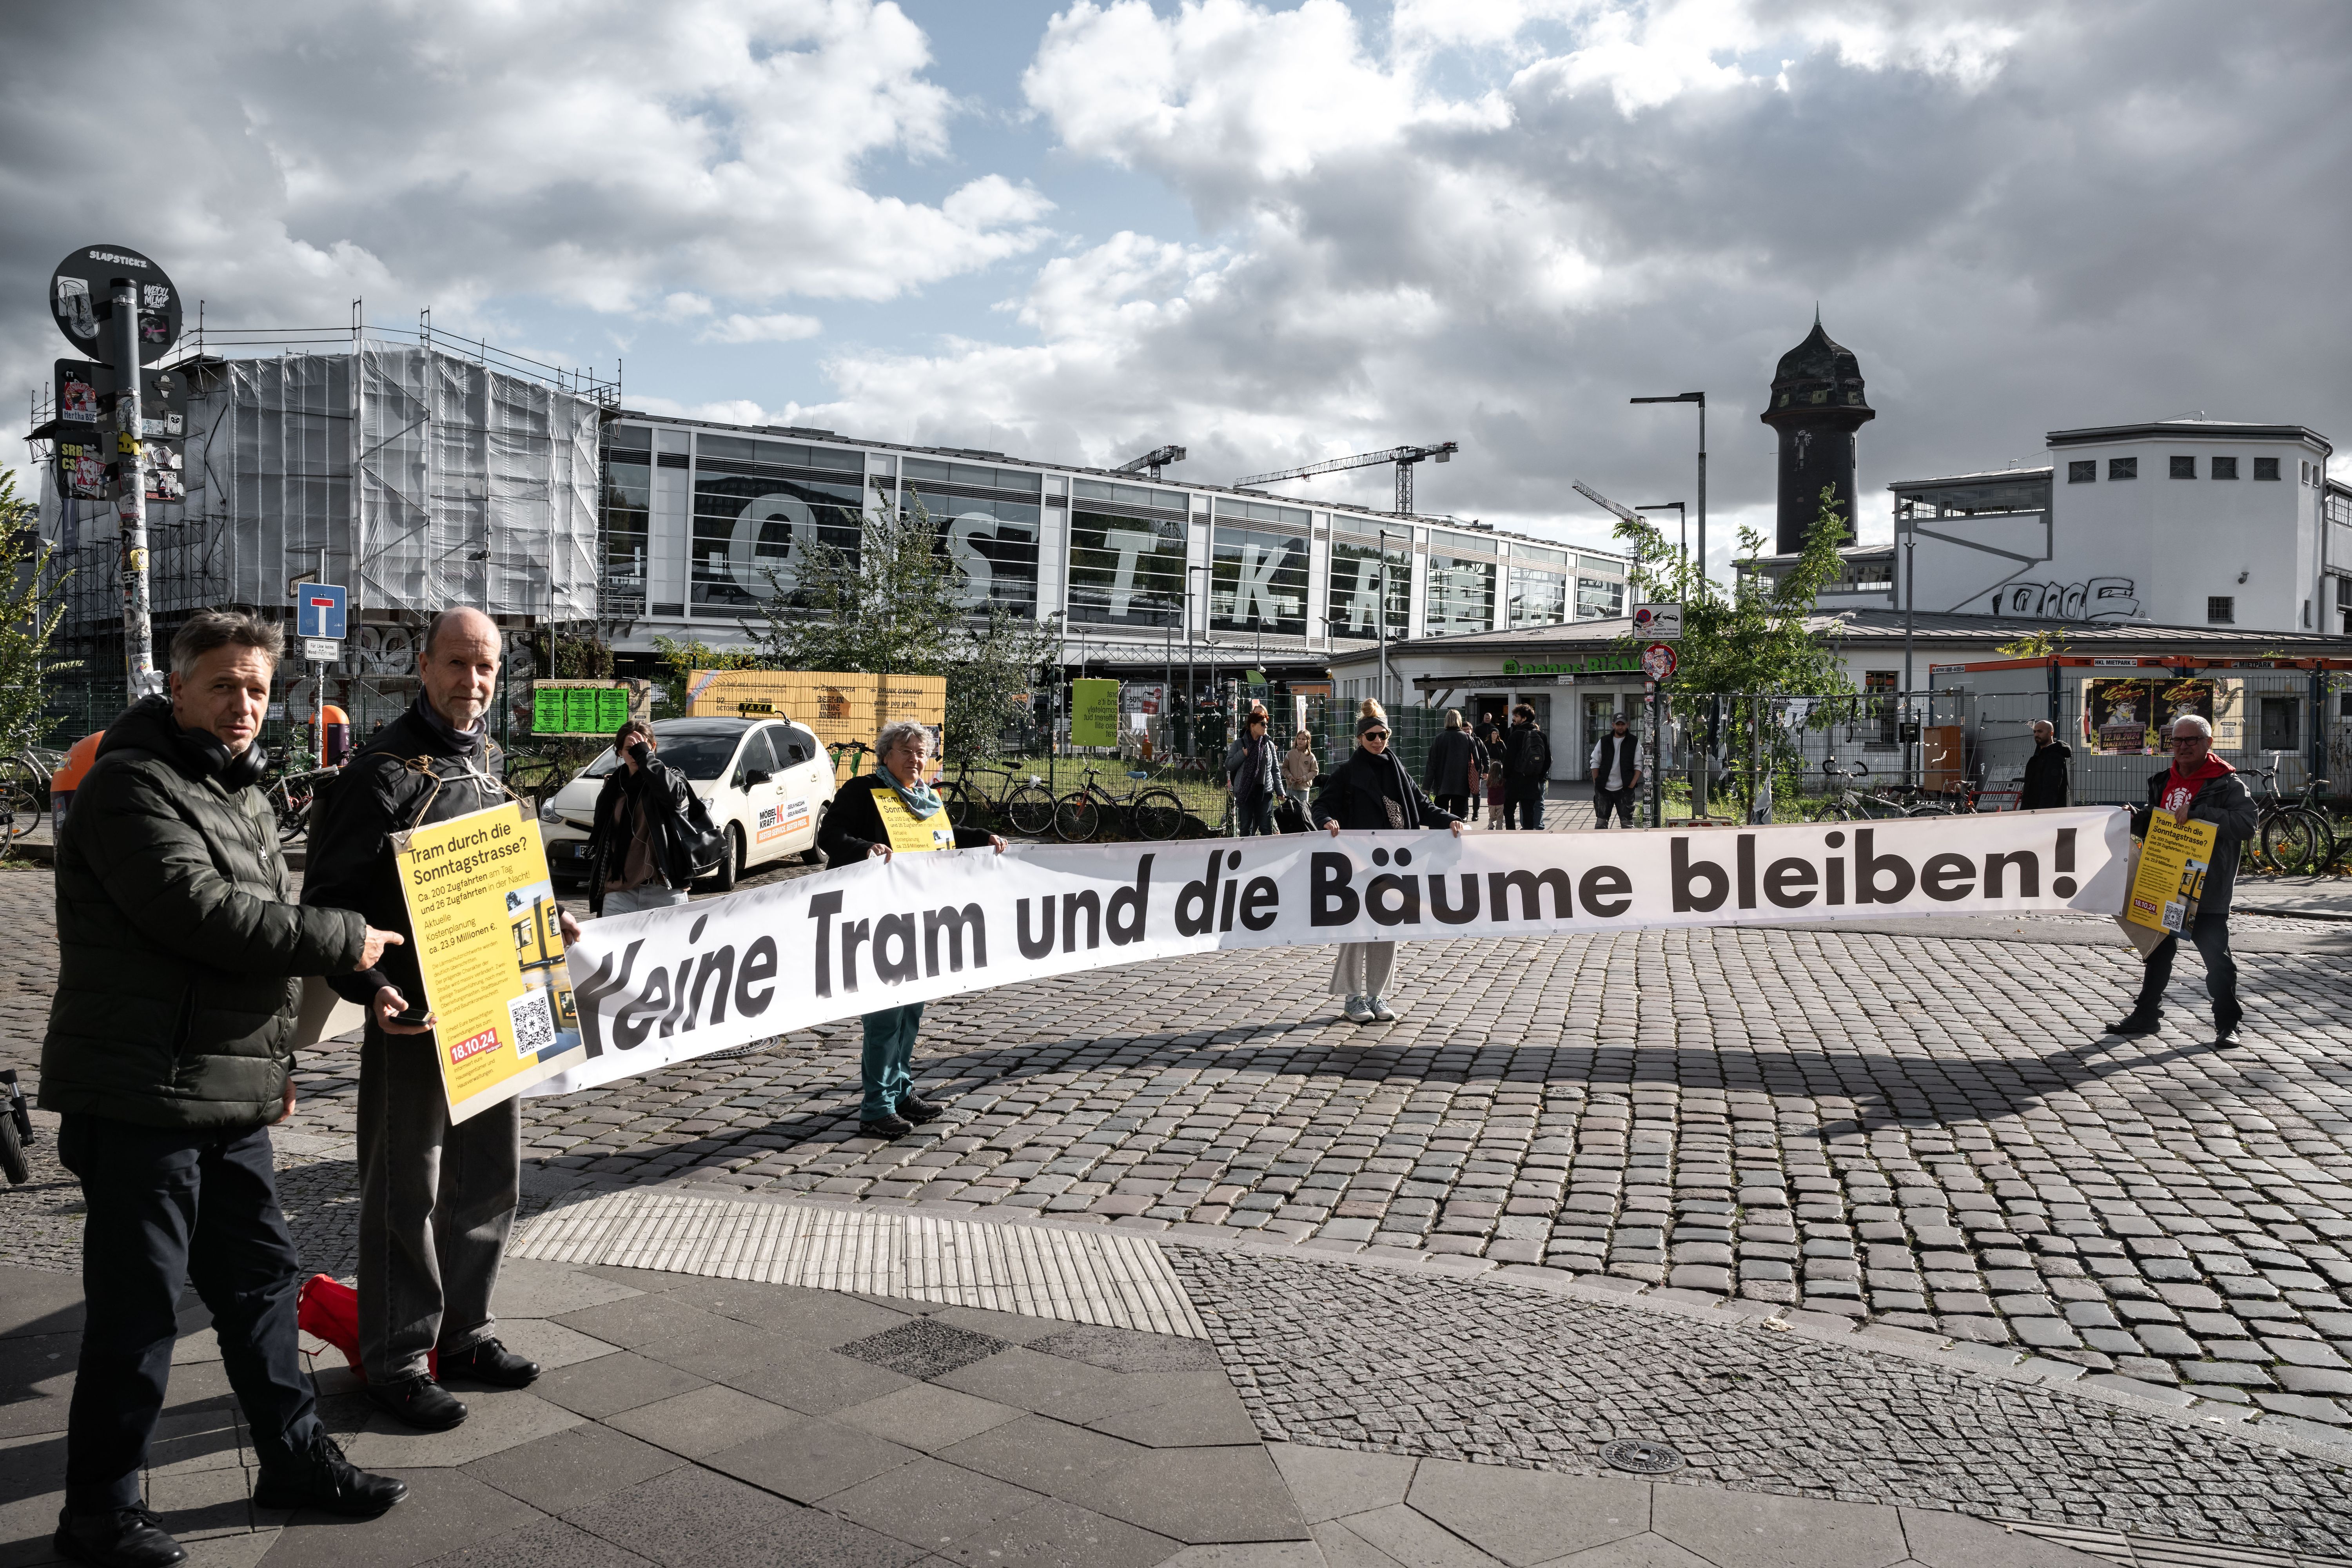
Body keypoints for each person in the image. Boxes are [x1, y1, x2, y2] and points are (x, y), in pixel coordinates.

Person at [43, 612, 408, 1567]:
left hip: (226, 1093)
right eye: (222, 684)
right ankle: (98, 1514)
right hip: (141, 1098)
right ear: (177, 684)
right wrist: (346, 939)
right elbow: (202, 916)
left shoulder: (236, 790)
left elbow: (265, 933)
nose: (244, 703)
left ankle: (293, 1461)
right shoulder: (129, 783)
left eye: (256, 686)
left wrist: (281, 1063)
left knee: (258, 1290)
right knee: (138, 1312)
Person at [305, 608, 565, 1432]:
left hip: (496, 1002)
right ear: (423, 667)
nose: (473, 681)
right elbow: (328, 905)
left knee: (488, 1174)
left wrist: (550, 926)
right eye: (457, 663)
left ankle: (466, 1330)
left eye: (486, 666)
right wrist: (374, 986)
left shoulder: (485, 763)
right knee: (404, 1189)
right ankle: (396, 1355)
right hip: (415, 1013)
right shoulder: (379, 771)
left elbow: (507, 881)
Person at [817, 720, 1005, 1138]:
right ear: (885, 755)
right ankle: (876, 1107)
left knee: (911, 1012)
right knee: (884, 1017)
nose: (916, 759)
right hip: (873, 921)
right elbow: (831, 834)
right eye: (907, 751)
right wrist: (864, 848)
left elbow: (944, 837)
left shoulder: (926, 798)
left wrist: (983, 837)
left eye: (921, 752)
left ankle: (901, 1091)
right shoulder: (863, 791)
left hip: (918, 919)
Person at [1312, 701, 1464, 1024]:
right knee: (1357, 931)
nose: (1378, 741)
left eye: (1383, 735)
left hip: (1396, 865)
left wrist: (1449, 818)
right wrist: (1327, 821)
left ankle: (1375, 995)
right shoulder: (1348, 772)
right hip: (1359, 863)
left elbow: (1422, 806)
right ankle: (1353, 998)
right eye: (1371, 736)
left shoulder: (1397, 768)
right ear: (1360, 739)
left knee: (1387, 928)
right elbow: (1321, 805)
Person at [2112, 714, 2257, 1047]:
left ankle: (2228, 1025)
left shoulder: (2227, 783)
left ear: (2208, 743)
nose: (2183, 747)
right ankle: (2146, 1016)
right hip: (2164, 882)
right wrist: (2136, 819)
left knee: (2217, 960)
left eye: (2191, 740)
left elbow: (2246, 825)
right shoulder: (2164, 780)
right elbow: (2158, 825)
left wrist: (2200, 813)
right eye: (2177, 741)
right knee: (2158, 953)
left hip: (2206, 888)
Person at [587, 718, 701, 915]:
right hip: (620, 889)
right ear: (620, 752)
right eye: (629, 749)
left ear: (653, 747)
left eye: (641, 748)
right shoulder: (614, 787)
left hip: (664, 890)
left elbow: (674, 796)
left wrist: (646, 757)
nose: (635, 754)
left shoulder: (670, 776)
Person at [1223, 708, 1281, 836]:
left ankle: (1266, 855)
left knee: (1266, 827)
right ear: (1253, 726)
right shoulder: (1240, 743)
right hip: (1245, 790)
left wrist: (1280, 791)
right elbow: (1228, 765)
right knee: (1246, 828)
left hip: (1265, 791)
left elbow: (1275, 770)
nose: (1266, 727)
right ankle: (1246, 854)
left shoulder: (1268, 745)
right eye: (1263, 724)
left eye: (1267, 724)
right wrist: (1242, 754)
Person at [1423, 708, 1482, 821]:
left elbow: (1431, 764)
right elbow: (1477, 763)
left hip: (1442, 785)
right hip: (1462, 785)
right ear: (1459, 721)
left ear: (1446, 721)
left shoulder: (1439, 738)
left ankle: (1440, 838)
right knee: (1457, 820)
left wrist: (1426, 787)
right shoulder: (1468, 738)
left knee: (1440, 818)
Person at [1503, 704, 1552, 831]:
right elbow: (1548, 760)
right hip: (1532, 782)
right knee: (1529, 813)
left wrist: (1506, 778)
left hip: (1515, 781)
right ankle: (1528, 840)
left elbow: (1509, 760)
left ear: (1524, 718)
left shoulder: (1515, 736)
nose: (1514, 718)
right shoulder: (1542, 736)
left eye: (1516, 716)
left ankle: (1511, 836)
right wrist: (1538, 777)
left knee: (1509, 811)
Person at [1590, 711, 1642, 829]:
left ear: (1627, 725)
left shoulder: (1634, 742)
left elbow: (1639, 766)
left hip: (1625, 789)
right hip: (1604, 788)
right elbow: (1595, 762)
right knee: (1601, 823)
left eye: (1623, 724)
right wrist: (1597, 782)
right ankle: (1599, 846)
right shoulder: (1604, 741)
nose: (1620, 727)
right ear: (1613, 725)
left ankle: (1627, 847)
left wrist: (1631, 785)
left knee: (1627, 824)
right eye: (1618, 724)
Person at [2020, 719, 2071, 809]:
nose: (2036, 735)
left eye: (2040, 731)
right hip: (2034, 811)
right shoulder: (2038, 757)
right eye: (2035, 732)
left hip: (2046, 813)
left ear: (2051, 733)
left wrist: (2043, 813)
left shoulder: (2054, 757)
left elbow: (2051, 789)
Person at [1281, 728, 1320, 818]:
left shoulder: (1311, 756)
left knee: (1303, 812)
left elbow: (1315, 771)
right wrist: (1289, 776)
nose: (1300, 741)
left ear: (1308, 741)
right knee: (1291, 811)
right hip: (1291, 788)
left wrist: (1304, 778)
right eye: (1299, 739)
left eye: (1303, 739)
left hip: (1304, 788)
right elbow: (1284, 768)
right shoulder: (1290, 754)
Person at [1482, 724, 1508, 826]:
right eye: (1493, 734)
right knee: (1491, 777)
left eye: (1496, 734)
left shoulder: (1501, 743)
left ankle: (1497, 785)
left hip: (1498, 762)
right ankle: (1491, 785)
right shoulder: (1487, 743)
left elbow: (1505, 753)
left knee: (1498, 776)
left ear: (1498, 735)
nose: (1494, 735)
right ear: (1491, 735)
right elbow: (1484, 754)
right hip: (1490, 762)